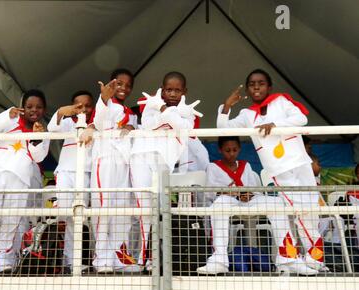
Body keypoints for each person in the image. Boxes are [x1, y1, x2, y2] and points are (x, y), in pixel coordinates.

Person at [216, 69, 328, 273]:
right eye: (252, 84)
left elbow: (301, 118)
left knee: (311, 210)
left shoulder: (282, 102)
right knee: (298, 209)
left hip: (300, 162)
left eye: (261, 83)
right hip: (279, 168)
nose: (256, 87)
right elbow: (223, 129)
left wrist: (275, 125)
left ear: (269, 86)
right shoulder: (246, 114)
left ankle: (315, 260)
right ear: (248, 89)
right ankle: (291, 257)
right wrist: (227, 106)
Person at [196, 136, 317, 275]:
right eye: (227, 150)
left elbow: (253, 188)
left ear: (239, 149)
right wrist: (232, 192)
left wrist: (250, 194)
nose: (231, 153)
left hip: (248, 201)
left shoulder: (245, 165)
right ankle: (219, 260)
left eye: (234, 150)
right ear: (220, 150)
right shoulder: (212, 167)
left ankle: (288, 258)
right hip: (228, 200)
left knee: (276, 203)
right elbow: (210, 192)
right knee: (218, 206)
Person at [0, 89, 50, 277]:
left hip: (20, 180)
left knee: (11, 221)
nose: (33, 110)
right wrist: (7, 114)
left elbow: (39, 156)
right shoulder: (11, 121)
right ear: (23, 107)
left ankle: (3, 259)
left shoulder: (43, 132)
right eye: (29, 106)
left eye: (38, 107)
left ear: (44, 110)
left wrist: (37, 136)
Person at [131, 71, 203, 269]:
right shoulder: (149, 104)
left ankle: (156, 257)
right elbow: (149, 125)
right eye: (168, 89)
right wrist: (168, 118)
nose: (172, 94)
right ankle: (143, 258)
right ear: (162, 89)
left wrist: (163, 110)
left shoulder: (186, 110)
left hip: (164, 161)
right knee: (145, 209)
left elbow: (182, 128)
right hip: (141, 156)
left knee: (161, 208)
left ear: (184, 91)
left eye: (177, 90)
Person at [89, 68, 140, 273]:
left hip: (123, 162)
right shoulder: (105, 103)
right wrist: (103, 98)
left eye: (128, 85)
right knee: (103, 207)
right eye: (120, 83)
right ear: (112, 83)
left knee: (122, 209)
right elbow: (99, 124)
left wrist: (132, 128)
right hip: (105, 159)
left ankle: (119, 256)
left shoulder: (130, 112)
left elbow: (133, 133)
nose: (124, 88)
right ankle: (101, 258)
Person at [47, 90, 94, 273]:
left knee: (79, 216)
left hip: (86, 173)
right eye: (78, 105)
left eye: (87, 105)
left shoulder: (95, 124)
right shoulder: (67, 122)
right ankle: (68, 259)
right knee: (66, 214)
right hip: (66, 173)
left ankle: (74, 261)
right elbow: (52, 128)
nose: (83, 109)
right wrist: (61, 112)